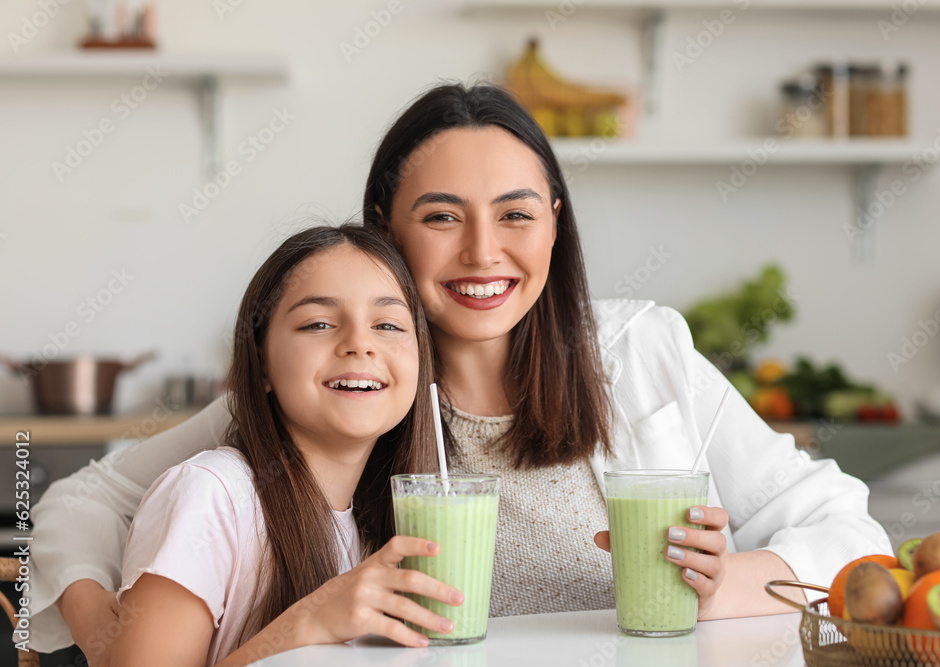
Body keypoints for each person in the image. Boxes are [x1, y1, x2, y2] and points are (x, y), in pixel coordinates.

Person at [26, 84, 891, 665]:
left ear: (554, 221)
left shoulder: (637, 353)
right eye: (442, 217)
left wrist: (723, 582)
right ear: (384, 228)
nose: (484, 253)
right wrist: (107, 631)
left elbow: (850, 532)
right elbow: (82, 499)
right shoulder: (352, 385)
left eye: (516, 214)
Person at [108, 225, 465, 666]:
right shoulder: (211, 497)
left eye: (388, 324)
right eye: (318, 323)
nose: (359, 344)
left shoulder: (381, 523)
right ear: (261, 367)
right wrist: (305, 625)